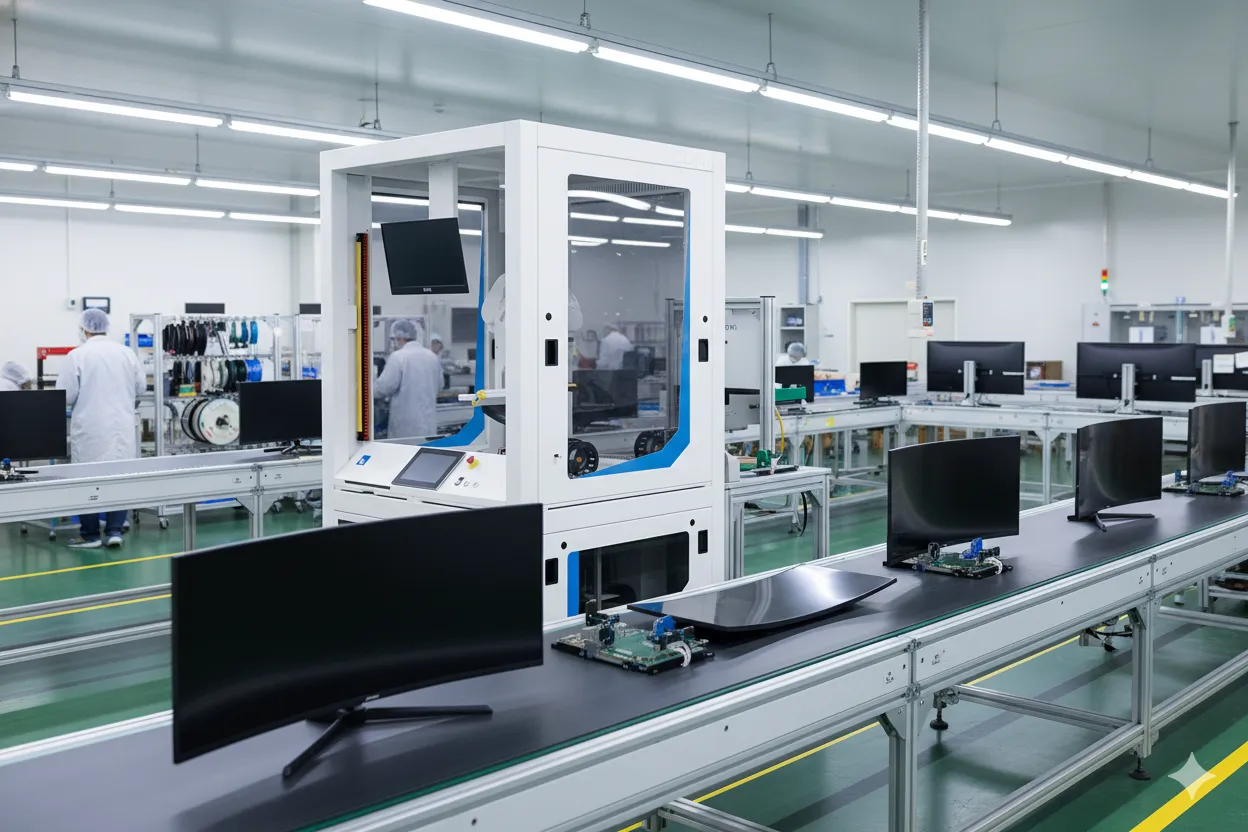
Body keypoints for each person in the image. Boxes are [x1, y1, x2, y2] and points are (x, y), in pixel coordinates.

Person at [57, 309, 145, 550]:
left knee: (87, 481)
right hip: (122, 430)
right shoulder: (126, 353)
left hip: (91, 431)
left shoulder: (77, 355)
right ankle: (115, 531)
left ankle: (90, 535)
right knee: (119, 478)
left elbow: (65, 395)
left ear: (84, 329)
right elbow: (140, 388)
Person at [375, 319, 442, 440]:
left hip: (406, 425)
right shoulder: (432, 357)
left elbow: (384, 388)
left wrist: (364, 391)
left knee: (406, 450)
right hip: (428, 422)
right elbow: (440, 385)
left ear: (399, 338)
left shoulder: (398, 357)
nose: (394, 343)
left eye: (394, 339)